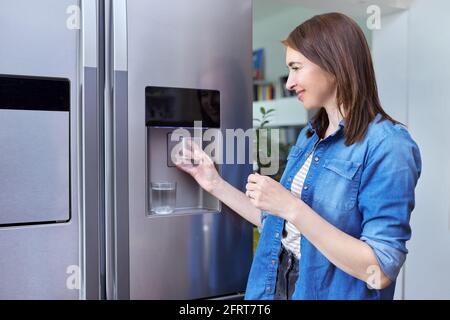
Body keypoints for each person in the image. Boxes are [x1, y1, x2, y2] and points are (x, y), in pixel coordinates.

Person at [174, 12, 421, 300]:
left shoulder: (389, 146)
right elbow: (277, 223)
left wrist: (292, 207)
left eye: (296, 67)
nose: (289, 82)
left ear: (334, 64)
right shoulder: (310, 135)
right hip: (274, 286)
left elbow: (379, 270)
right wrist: (212, 182)